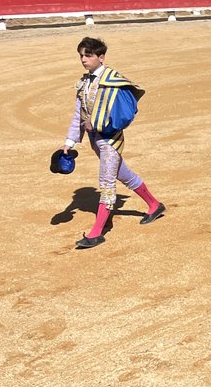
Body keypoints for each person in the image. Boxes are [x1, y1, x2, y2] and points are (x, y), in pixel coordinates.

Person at [59, 37, 165, 250]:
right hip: (96, 141)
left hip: (110, 140)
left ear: (101, 57)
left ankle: (97, 232)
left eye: (88, 55)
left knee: (107, 183)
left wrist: (97, 123)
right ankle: (154, 205)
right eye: (81, 55)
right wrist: (70, 142)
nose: (83, 59)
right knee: (124, 175)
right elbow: (78, 115)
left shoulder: (113, 80)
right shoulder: (83, 83)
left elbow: (123, 115)